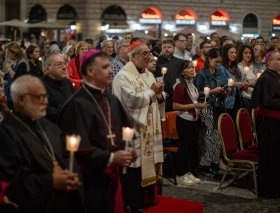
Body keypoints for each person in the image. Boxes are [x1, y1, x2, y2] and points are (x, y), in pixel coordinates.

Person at [58, 50, 136, 213]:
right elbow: (78, 149)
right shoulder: (76, 104)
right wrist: (112, 157)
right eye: (105, 67)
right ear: (90, 71)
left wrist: (127, 150)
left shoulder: (112, 99)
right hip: (88, 182)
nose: (110, 70)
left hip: (113, 177)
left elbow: (125, 130)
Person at [0, 75, 85, 213]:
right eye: (39, 97)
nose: (45, 101)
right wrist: (50, 181)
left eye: (45, 96)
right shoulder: (7, 132)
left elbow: (67, 156)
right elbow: (11, 182)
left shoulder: (49, 126)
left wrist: (72, 176)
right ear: (21, 99)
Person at [113, 42, 164, 212]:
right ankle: (132, 203)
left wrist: (160, 95)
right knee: (134, 166)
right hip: (134, 129)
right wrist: (152, 92)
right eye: (145, 53)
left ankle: (148, 199)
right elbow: (130, 101)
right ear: (133, 56)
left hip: (150, 128)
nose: (149, 56)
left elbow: (155, 95)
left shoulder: (148, 74)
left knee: (148, 163)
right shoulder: (123, 76)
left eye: (149, 53)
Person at [251, 51, 280, 197]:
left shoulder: (275, 76)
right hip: (269, 123)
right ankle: (268, 189)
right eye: (279, 59)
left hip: (275, 122)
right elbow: (269, 102)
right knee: (269, 156)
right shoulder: (266, 78)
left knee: (276, 156)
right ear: (269, 63)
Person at [173, 61, 207, 185]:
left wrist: (200, 106)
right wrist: (194, 105)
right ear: (182, 72)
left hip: (194, 119)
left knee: (192, 148)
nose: (192, 70)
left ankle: (188, 172)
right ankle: (180, 174)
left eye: (193, 68)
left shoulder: (191, 84)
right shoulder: (180, 86)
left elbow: (194, 99)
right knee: (184, 148)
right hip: (184, 120)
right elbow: (175, 105)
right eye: (188, 68)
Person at [195, 48, 228, 174]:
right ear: (209, 59)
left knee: (217, 137)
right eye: (217, 61)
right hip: (207, 107)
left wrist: (225, 92)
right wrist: (212, 91)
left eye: (220, 62)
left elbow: (222, 88)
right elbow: (196, 93)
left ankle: (215, 163)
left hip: (218, 107)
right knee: (207, 136)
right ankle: (204, 165)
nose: (219, 64)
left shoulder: (219, 73)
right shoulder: (202, 74)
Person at [41, 51, 75, 123]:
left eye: (64, 63)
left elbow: (76, 102)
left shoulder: (67, 82)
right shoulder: (40, 87)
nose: (64, 67)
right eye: (59, 64)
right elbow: (48, 113)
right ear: (47, 69)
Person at [154, 39, 185, 112]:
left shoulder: (179, 62)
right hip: (163, 97)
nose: (166, 49)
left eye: (169, 47)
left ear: (174, 48)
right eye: (164, 47)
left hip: (177, 96)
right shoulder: (156, 62)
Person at [5, 42, 30, 109]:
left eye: (9, 53)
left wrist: (9, 68)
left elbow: (17, 78)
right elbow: (6, 77)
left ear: (15, 52)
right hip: (11, 97)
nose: (7, 56)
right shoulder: (13, 63)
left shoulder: (22, 63)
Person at [237, 44, 257, 115]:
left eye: (250, 53)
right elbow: (240, 84)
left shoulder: (252, 66)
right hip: (245, 97)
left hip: (254, 96)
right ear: (241, 54)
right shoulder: (239, 67)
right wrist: (250, 84)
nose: (248, 55)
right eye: (245, 53)